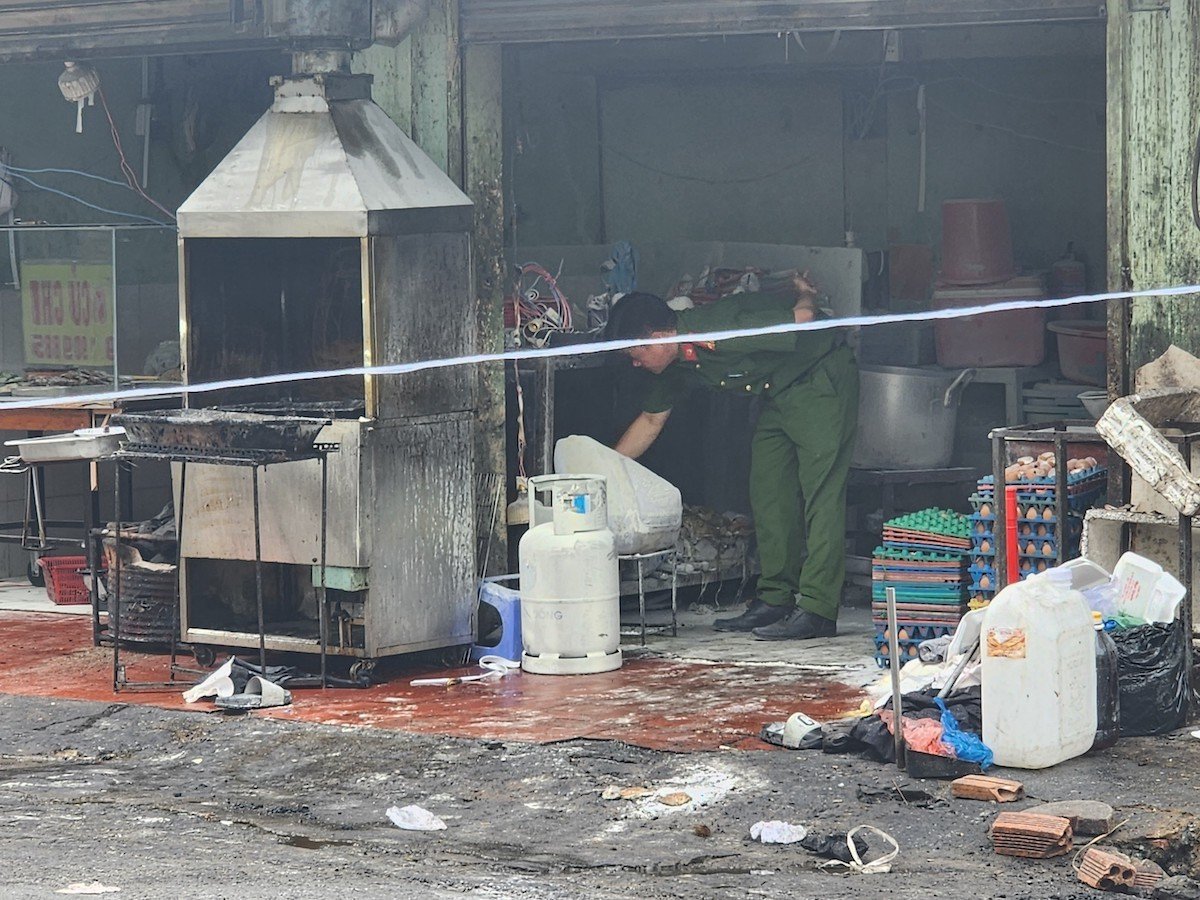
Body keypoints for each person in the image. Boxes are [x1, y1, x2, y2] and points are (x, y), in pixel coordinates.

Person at [609, 276, 858, 640]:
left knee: (821, 494)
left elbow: (801, 318)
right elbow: (649, 421)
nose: (635, 365)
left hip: (819, 376)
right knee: (768, 490)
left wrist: (806, 292)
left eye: (636, 354)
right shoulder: (676, 364)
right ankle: (776, 597)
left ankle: (819, 609)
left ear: (659, 338)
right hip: (779, 392)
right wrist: (601, 472)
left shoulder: (720, 329)